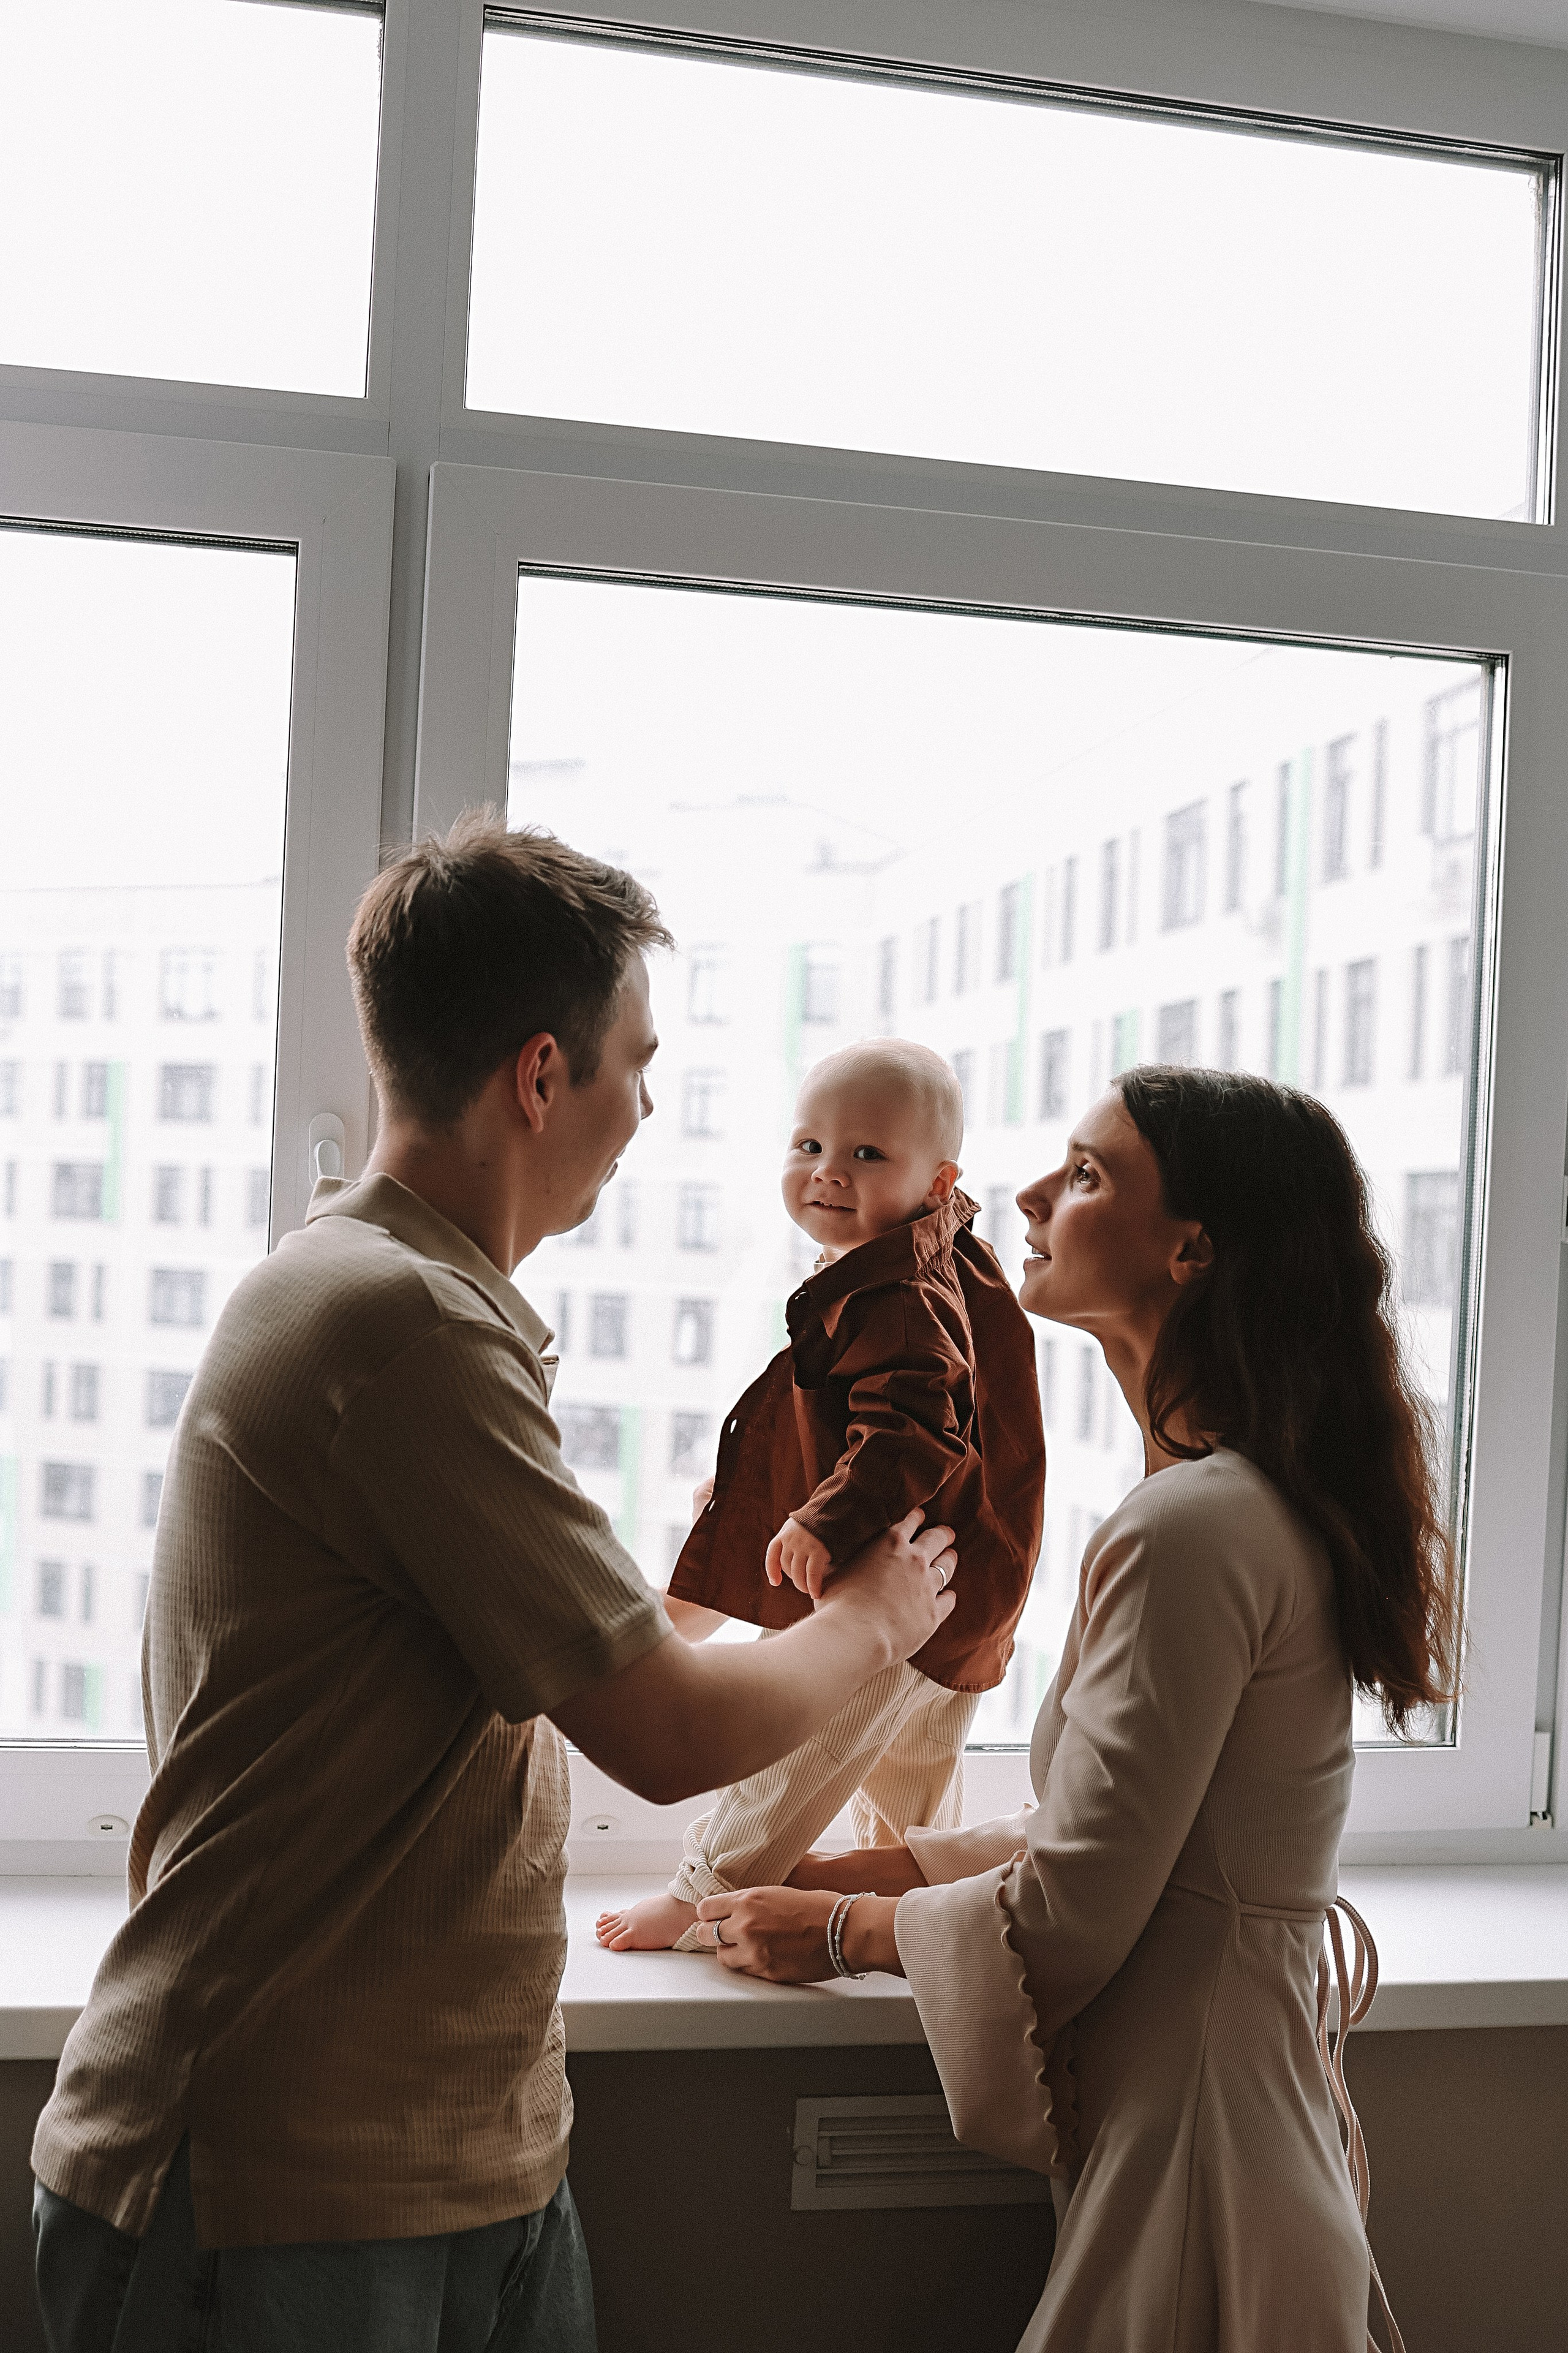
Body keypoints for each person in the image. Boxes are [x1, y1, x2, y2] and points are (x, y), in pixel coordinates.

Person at [29, 814, 956, 2353]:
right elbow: (661, 1730)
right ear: (541, 1074)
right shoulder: (403, 1332)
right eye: (635, 1066)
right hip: (286, 2183)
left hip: (448, 2149)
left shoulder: (385, 1296)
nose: (647, 1109)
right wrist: (874, 1617)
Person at [688, 1067, 1459, 2353]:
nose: (1031, 1194)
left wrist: (835, 1929)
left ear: (1190, 1248)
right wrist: (888, 1861)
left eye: (1087, 1173)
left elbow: (1078, 1901)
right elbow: (1148, 1835)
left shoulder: (1194, 1526)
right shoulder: (1238, 1503)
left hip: (1199, 2147)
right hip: (1219, 2114)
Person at [597, 1040, 1044, 1954]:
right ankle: (914, 1893)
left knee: (803, 1739)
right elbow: (867, 1412)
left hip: (901, 1578)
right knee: (911, 1764)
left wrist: (822, 1516)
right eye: (808, 1146)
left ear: (938, 1178)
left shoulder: (899, 1291)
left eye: (865, 1155)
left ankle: (703, 1891)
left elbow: (913, 1426)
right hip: (970, 1583)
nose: (827, 1173)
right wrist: (777, 1482)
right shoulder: (936, 1255)